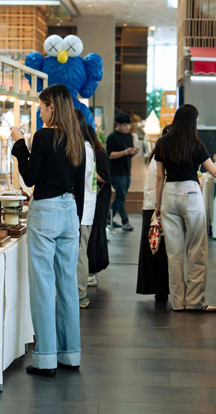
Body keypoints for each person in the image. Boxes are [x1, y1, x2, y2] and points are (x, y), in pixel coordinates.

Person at [11, 84, 86, 377]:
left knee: (43, 284)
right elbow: (80, 186)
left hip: (45, 212)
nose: (40, 113)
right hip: (70, 212)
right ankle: (70, 354)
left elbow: (30, 178)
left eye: (42, 107)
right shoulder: (76, 138)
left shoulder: (43, 137)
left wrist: (20, 145)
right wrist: (76, 222)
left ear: (52, 107)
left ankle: (45, 358)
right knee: (67, 283)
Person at [154, 104, 216, 312]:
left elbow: (160, 177)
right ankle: (194, 301)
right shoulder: (196, 144)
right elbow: (215, 172)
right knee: (197, 249)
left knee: (174, 253)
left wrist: (157, 207)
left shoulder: (162, 143)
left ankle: (178, 302)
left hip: (169, 193)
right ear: (192, 121)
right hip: (190, 193)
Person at [136, 126, 171, 302]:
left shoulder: (156, 155)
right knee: (158, 249)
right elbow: (161, 180)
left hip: (152, 206)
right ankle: (161, 289)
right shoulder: (163, 157)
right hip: (156, 207)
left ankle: (159, 289)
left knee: (154, 248)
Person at [81, 121, 111, 291]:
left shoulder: (99, 154)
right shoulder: (91, 152)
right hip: (91, 197)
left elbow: (105, 177)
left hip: (99, 199)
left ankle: (92, 271)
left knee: (96, 234)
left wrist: (88, 172)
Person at [74, 109, 97, 309]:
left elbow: (81, 181)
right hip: (83, 208)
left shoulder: (84, 148)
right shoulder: (85, 147)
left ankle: (80, 295)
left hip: (82, 209)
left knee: (80, 253)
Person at [106, 112, 139, 231]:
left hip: (126, 170)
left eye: (128, 125)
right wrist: (125, 152)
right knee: (121, 196)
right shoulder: (112, 137)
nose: (127, 128)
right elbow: (109, 155)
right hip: (116, 171)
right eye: (124, 125)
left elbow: (128, 152)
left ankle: (108, 218)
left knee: (121, 194)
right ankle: (125, 222)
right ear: (118, 125)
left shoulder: (129, 136)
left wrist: (133, 152)